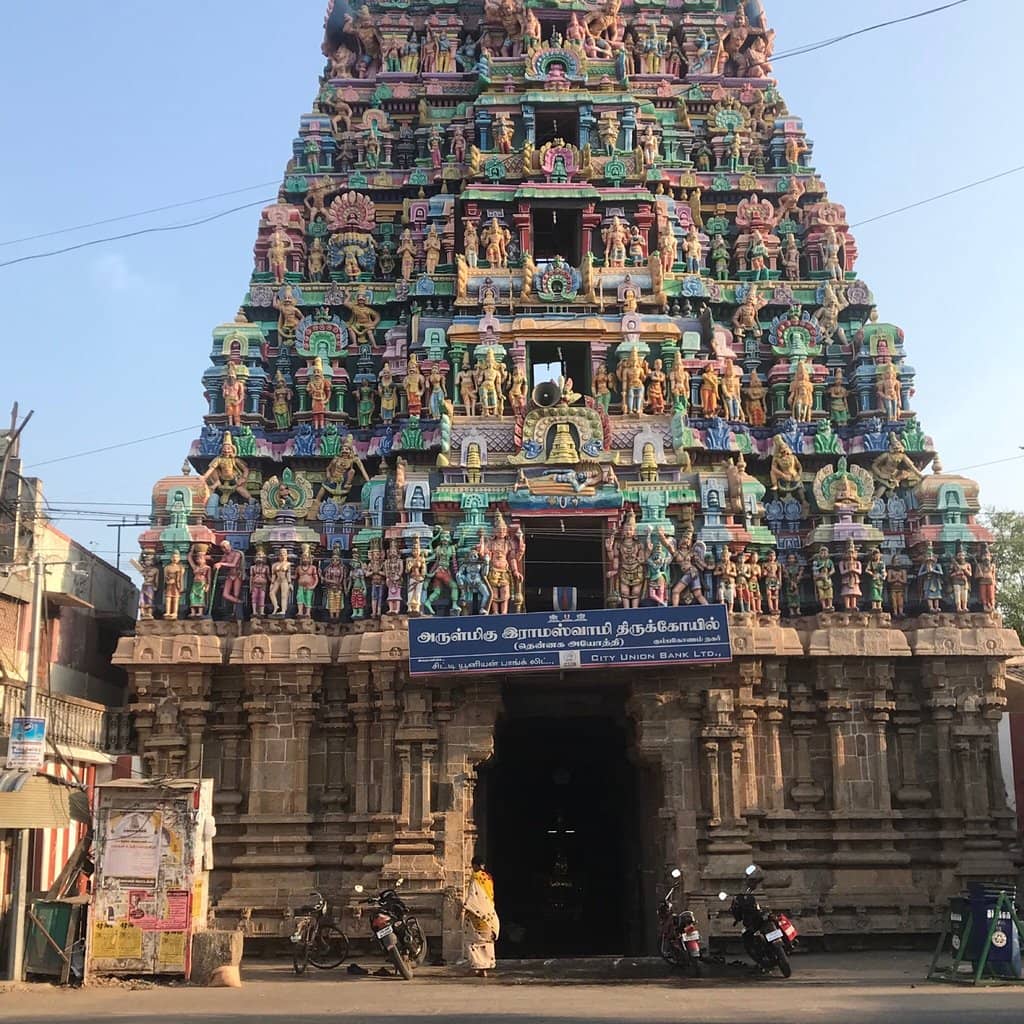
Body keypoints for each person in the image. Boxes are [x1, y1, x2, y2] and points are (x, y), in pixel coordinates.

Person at [462, 857, 499, 977]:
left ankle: (476, 968)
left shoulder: (475, 876)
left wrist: (464, 907)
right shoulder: (488, 877)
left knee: (471, 940)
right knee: (486, 941)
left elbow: (473, 895)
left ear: (475, 865)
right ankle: (484, 969)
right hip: (489, 914)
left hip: (476, 913)